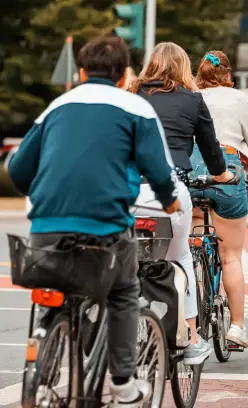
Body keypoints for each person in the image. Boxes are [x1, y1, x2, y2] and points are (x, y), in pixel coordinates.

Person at [8, 35, 179, 406]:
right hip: (105, 229)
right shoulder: (135, 107)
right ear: (122, 75)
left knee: (57, 283)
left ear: (81, 72)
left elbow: (18, 167)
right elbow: (160, 172)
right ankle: (122, 384)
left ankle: (46, 361)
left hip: (46, 229)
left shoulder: (56, 106)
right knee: (124, 292)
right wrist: (170, 202)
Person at [130, 42, 234, 365]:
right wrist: (222, 174)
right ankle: (189, 337)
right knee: (181, 258)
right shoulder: (192, 100)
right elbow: (211, 148)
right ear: (182, 67)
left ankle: (126, 326)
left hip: (130, 191)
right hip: (170, 193)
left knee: (126, 260)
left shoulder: (134, 97)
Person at [191, 50, 248, 348]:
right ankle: (237, 328)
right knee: (231, 256)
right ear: (228, 75)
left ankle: (187, 320)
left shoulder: (190, 96)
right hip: (226, 170)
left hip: (190, 173)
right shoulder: (238, 99)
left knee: (189, 244)